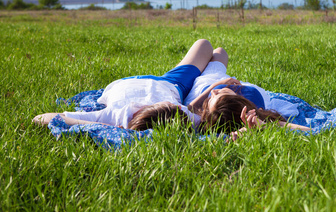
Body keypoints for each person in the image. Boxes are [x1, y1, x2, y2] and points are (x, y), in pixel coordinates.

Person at [33, 39, 215, 130]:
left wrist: (105, 128)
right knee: (207, 47)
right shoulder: (180, 118)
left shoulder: (114, 116)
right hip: (171, 84)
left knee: (206, 48)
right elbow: (218, 128)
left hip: (126, 84)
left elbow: (42, 118)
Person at [182, 48, 311, 137]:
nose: (214, 91)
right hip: (215, 77)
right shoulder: (256, 114)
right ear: (237, 99)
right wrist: (264, 125)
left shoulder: (210, 114)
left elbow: (189, 108)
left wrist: (214, 85)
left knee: (216, 50)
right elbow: (309, 131)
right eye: (219, 94)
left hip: (204, 80)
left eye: (211, 98)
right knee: (219, 52)